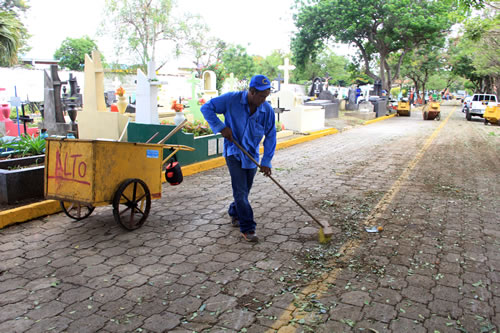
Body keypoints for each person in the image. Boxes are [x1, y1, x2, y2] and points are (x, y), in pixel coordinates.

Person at [201, 75, 277, 243]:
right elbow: (206, 108)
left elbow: (271, 136)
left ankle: (234, 212)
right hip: (234, 152)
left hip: (252, 156)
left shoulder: (266, 110)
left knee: (244, 192)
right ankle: (248, 228)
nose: (264, 100)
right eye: (262, 96)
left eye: (266, 96)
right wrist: (221, 127)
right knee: (241, 192)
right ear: (252, 91)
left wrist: (266, 161)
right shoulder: (231, 100)